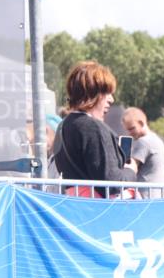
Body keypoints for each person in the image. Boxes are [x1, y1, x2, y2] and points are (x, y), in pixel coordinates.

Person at [52, 61, 136, 194]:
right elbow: (112, 185)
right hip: (99, 209)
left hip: (78, 206)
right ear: (92, 93)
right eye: (106, 93)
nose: (111, 100)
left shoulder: (64, 125)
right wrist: (130, 171)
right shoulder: (92, 128)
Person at [121, 107, 164, 187]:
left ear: (141, 123)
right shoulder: (157, 140)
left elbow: (132, 168)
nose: (129, 133)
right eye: (127, 130)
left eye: (132, 128)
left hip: (144, 195)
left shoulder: (143, 142)